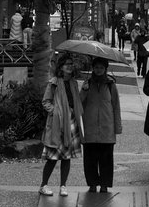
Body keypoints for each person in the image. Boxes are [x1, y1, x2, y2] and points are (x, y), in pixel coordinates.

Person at [39, 55, 83, 196]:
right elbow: (46, 101)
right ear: (61, 67)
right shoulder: (54, 83)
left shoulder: (73, 83)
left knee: (66, 157)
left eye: (71, 64)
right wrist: (55, 112)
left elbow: (76, 101)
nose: (69, 66)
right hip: (57, 123)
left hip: (71, 121)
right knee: (52, 157)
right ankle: (43, 185)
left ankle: (63, 185)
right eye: (66, 64)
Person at [80, 56, 122, 192]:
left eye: (101, 68)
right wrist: (84, 91)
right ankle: (92, 184)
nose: (98, 70)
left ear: (105, 69)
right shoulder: (87, 84)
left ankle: (104, 184)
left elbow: (116, 106)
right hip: (90, 128)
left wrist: (117, 127)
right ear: (93, 68)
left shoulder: (110, 85)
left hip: (106, 129)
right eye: (96, 67)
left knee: (106, 159)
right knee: (90, 159)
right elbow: (79, 104)